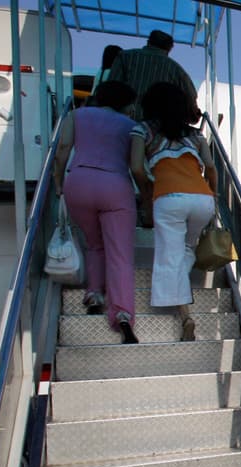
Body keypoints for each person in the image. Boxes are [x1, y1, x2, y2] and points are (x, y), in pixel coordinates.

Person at [130, 81, 217, 342]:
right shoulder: (194, 135)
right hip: (202, 200)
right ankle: (182, 297)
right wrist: (213, 193)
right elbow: (211, 167)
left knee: (169, 257)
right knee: (186, 249)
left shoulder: (142, 130)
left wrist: (147, 193)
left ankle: (186, 316)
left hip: (169, 198)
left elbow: (135, 168)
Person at [53, 80, 139, 344]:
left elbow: (63, 150)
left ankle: (94, 296)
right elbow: (135, 162)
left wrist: (59, 182)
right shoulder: (131, 126)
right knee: (120, 254)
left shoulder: (76, 115)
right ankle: (122, 315)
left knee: (93, 244)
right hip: (115, 185)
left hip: (79, 182)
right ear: (126, 102)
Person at [109, 30, 198, 122]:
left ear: (148, 42)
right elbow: (191, 97)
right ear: (169, 49)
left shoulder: (124, 57)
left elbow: (112, 87)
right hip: (156, 129)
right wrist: (193, 116)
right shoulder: (176, 70)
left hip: (123, 122)